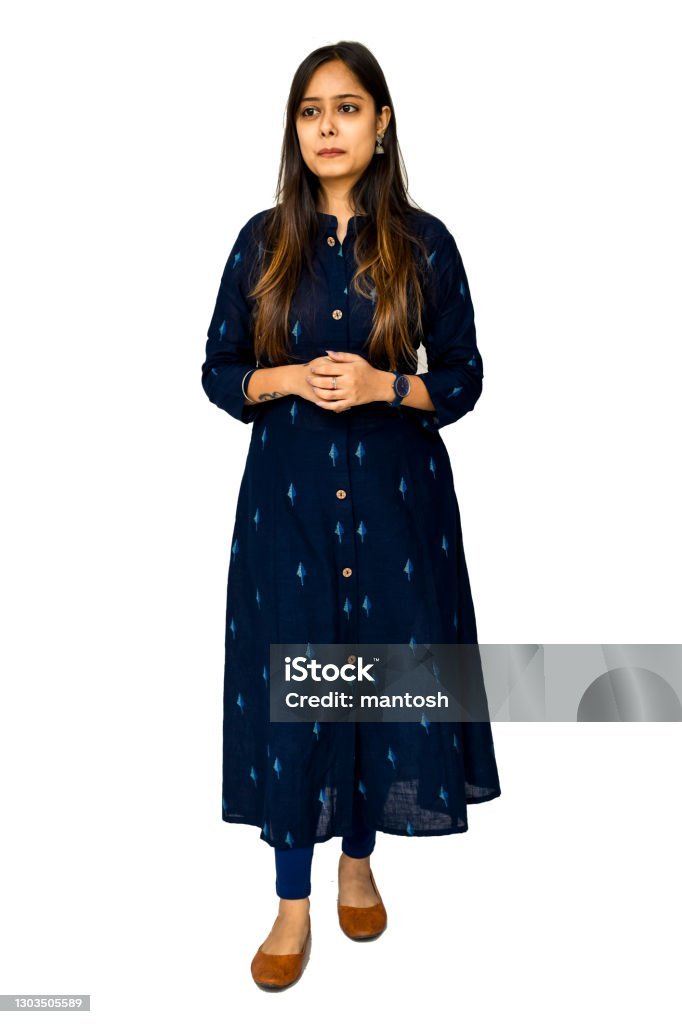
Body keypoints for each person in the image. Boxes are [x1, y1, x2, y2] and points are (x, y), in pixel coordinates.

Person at [201, 40, 501, 990]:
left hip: (395, 504)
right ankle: (292, 902)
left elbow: (464, 376)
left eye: (347, 107)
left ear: (381, 124)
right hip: (287, 507)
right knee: (298, 688)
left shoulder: (424, 243)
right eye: (310, 111)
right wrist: (286, 378)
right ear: (295, 130)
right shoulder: (262, 242)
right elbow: (217, 371)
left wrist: (387, 386)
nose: (327, 127)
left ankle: (360, 860)